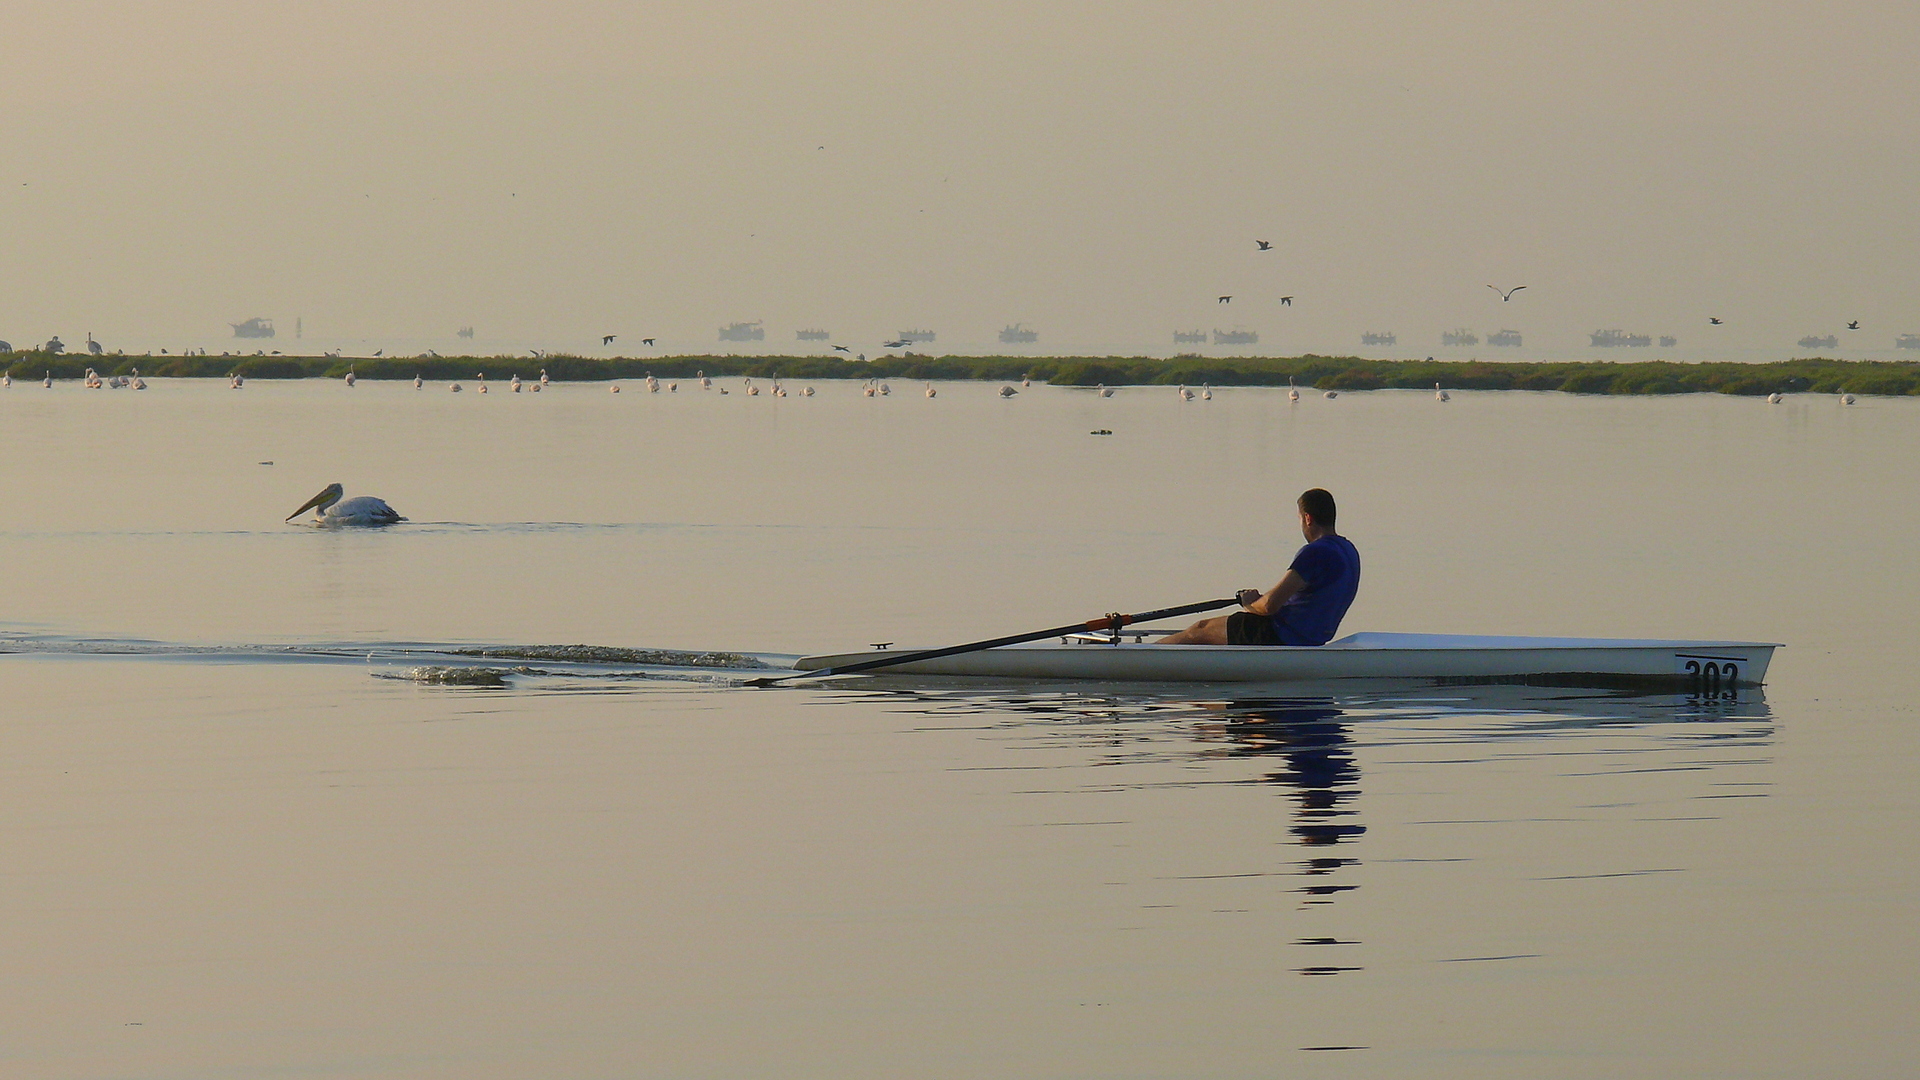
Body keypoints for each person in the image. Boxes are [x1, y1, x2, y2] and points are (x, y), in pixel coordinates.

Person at [1157, 488, 1360, 646]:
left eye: (1300, 519)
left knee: (1200, 630)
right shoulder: (1349, 550)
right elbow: (1300, 593)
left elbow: (1270, 606)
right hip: (1312, 639)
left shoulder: (1314, 552)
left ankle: (1142, 657)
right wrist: (1260, 599)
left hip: (1278, 634)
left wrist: (1249, 603)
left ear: (1308, 518)